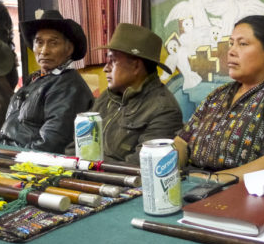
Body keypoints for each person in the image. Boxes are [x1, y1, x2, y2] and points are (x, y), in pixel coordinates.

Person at [175, 15, 264, 184]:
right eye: (231, 43)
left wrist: (213, 180)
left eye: (242, 44)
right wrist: (170, 170)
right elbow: (182, 140)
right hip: (195, 186)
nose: (231, 51)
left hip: (250, 197)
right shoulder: (218, 95)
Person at [65, 23, 183, 165]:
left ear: (136, 66)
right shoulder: (107, 97)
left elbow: (139, 166)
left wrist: (90, 165)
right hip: (89, 178)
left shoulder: (163, 109)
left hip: (120, 184)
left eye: (112, 61)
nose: (105, 69)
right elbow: (76, 147)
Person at [0, 10, 94, 153]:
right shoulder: (35, 79)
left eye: (53, 43)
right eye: (39, 42)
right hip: (6, 152)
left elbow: (50, 144)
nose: (44, 51)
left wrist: (11, 158)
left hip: (29, 163)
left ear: (69, 49)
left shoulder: (69, 87)